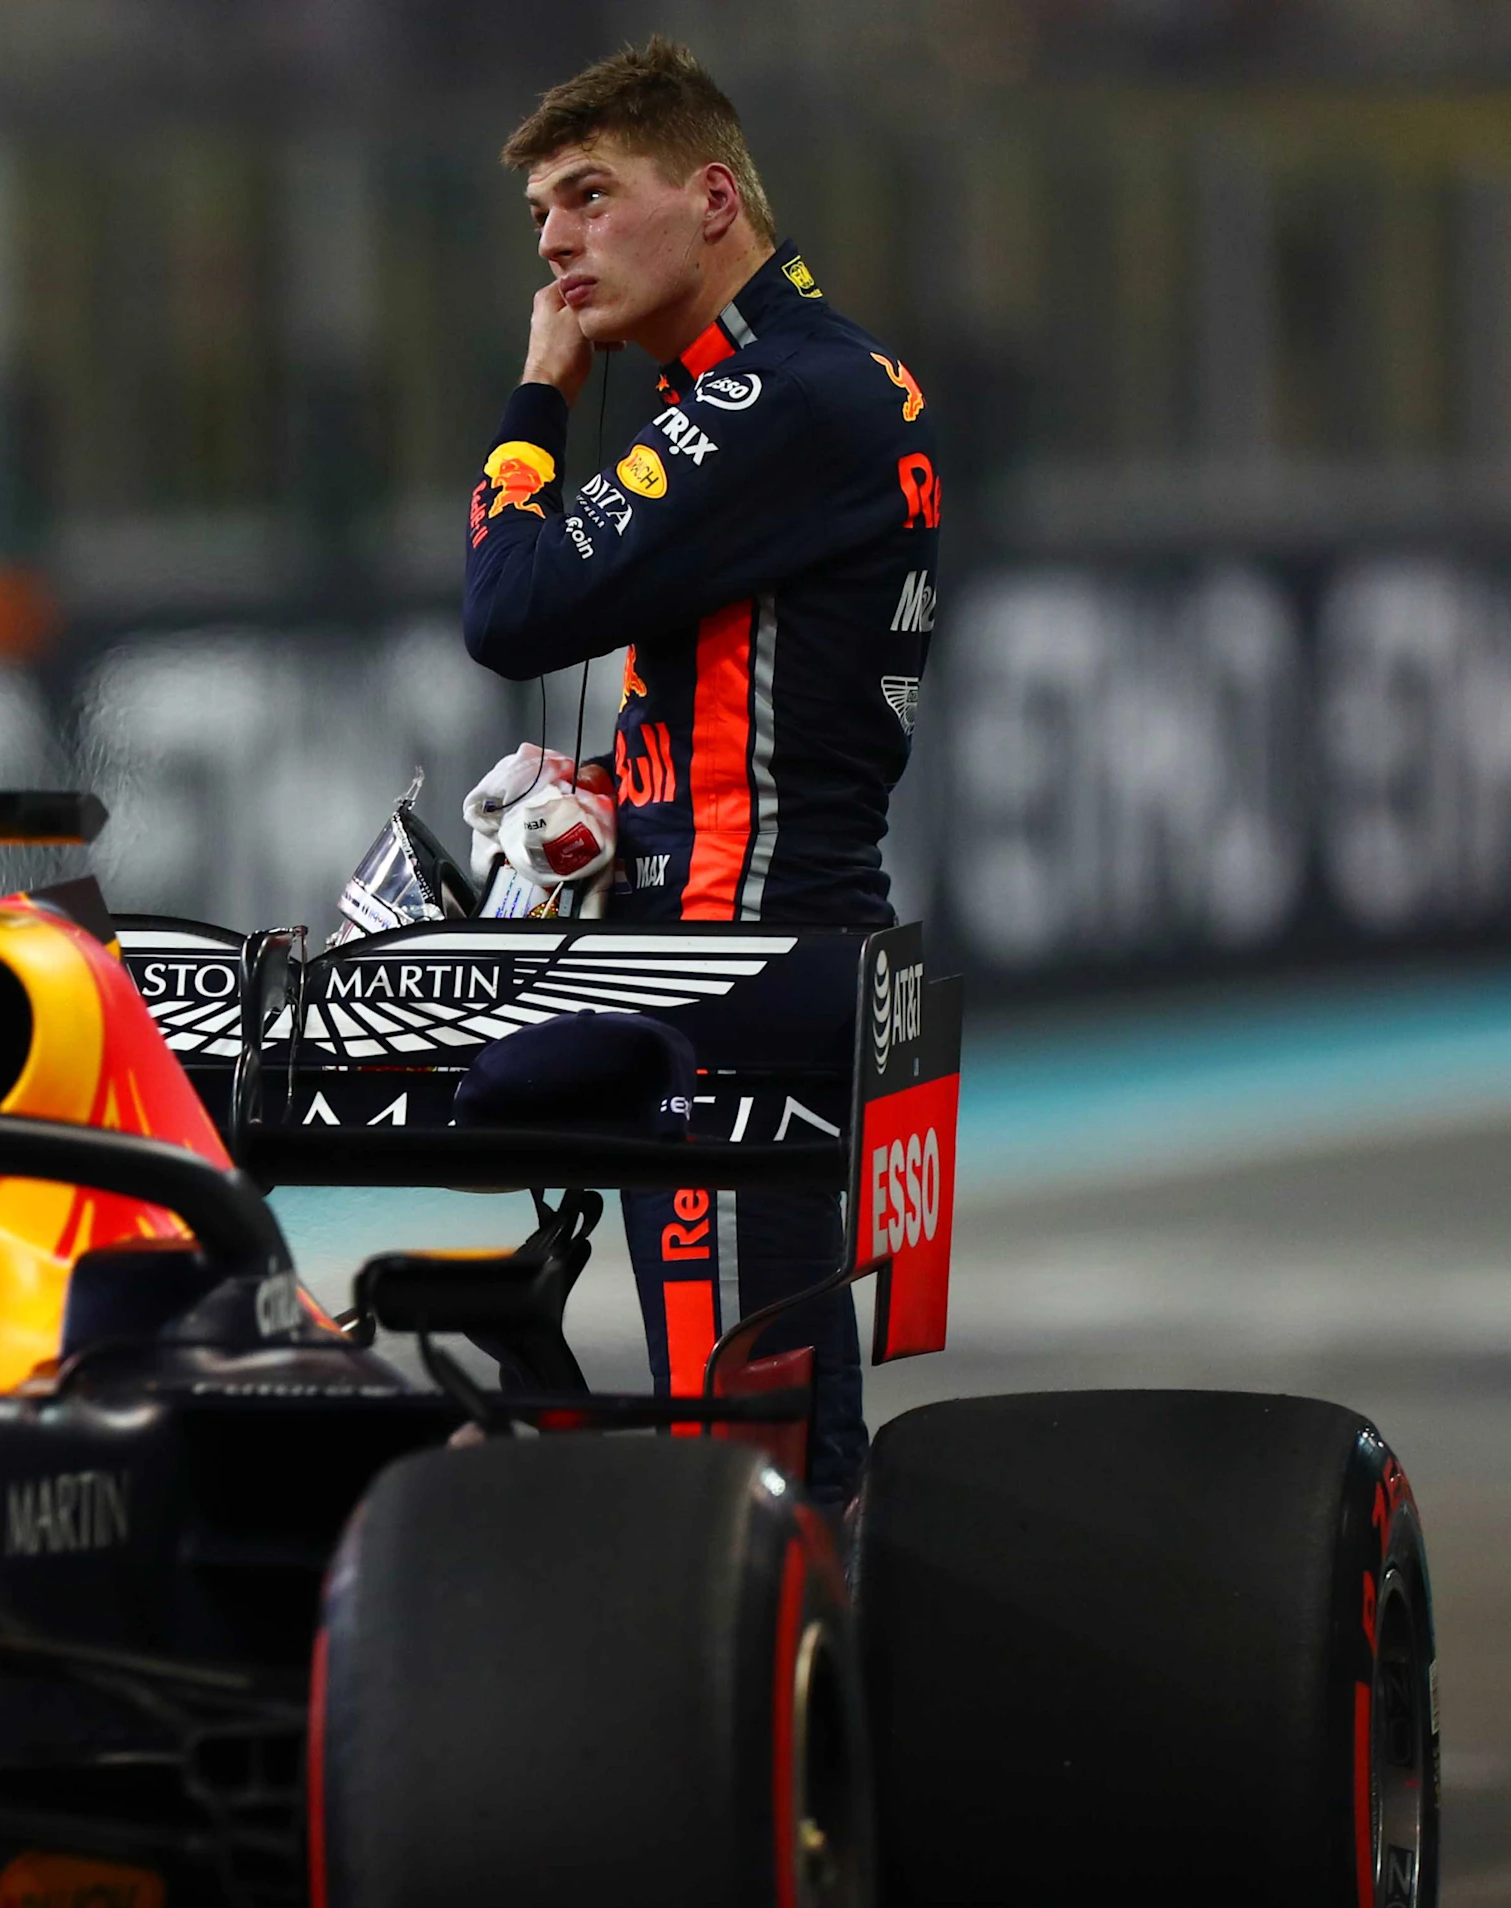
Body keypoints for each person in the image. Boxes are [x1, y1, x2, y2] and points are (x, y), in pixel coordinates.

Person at [459, 38, 942, 1505]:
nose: (555, 244)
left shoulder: (782, 395)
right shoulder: (770, 389)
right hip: (755, 922)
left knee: (742, 1447)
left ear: (714, 198)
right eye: (543, 212)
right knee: (774, 1418)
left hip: (737, 953)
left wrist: (536, 406)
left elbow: (514, 607)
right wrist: (622, 792)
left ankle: (767, 1708)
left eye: (592, 196)